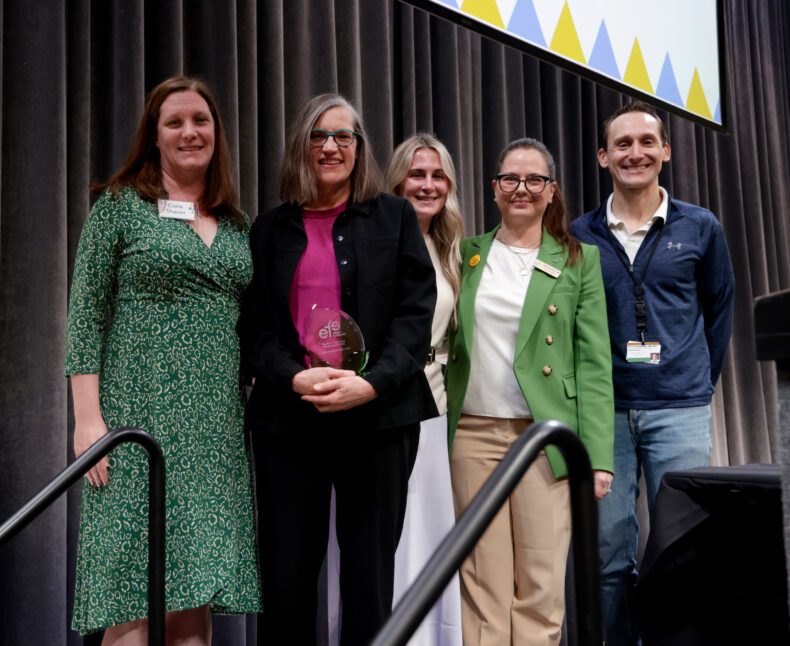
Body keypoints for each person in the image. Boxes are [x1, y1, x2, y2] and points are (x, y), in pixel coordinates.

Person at [65, 76, 261, 643]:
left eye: (200, 120)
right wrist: (88, 421)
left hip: (214, 432)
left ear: (216, 132)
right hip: (138, 418)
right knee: (133, 594)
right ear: (155, 136)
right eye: (174, 122)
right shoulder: (121, 206)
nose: (189, 132)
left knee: (193, 597)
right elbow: (84, 314)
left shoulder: (236, 223)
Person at [238, 94, 438, 646]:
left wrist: (370, 384)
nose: (331, 147)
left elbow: (415, 317)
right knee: (286, 577)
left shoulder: (395, 217)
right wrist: (292, 377)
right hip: (289, 418)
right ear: (301, 146)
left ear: (359, 147)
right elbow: (253, 328)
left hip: (378, 418)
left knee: (369, 578)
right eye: (318, 136)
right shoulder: (269, 228)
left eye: (343, 136)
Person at [571, 101, 735, 646]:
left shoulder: (700, 226)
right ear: (603, 157)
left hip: (679, 409)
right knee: (606, 554)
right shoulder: (580, 234)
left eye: (646, 142)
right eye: (622, 144)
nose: (634, 153)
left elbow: (720, 307)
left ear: (665, 151)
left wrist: (696, 382)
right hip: (605, 414)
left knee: (684, 550)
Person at [445, 138, 614, 646]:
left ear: (551, 189)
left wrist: (597, 458)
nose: (522, 188)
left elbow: (594, 364)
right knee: (483, 581)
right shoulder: (465, 253)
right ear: (493, 188)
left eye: (534, 179)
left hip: (546, 439)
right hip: (473, 436)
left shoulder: (579, 259)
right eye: (510, 179)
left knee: (541, 582)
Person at [325, 133, 465, 646]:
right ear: (396, 180)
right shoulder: (374, 241)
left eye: (438, 176)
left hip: (435, 408)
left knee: (426, 534)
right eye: (416, 174)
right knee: (383, 545)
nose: (427, 185)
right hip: (383, 407)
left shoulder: (453, 251)